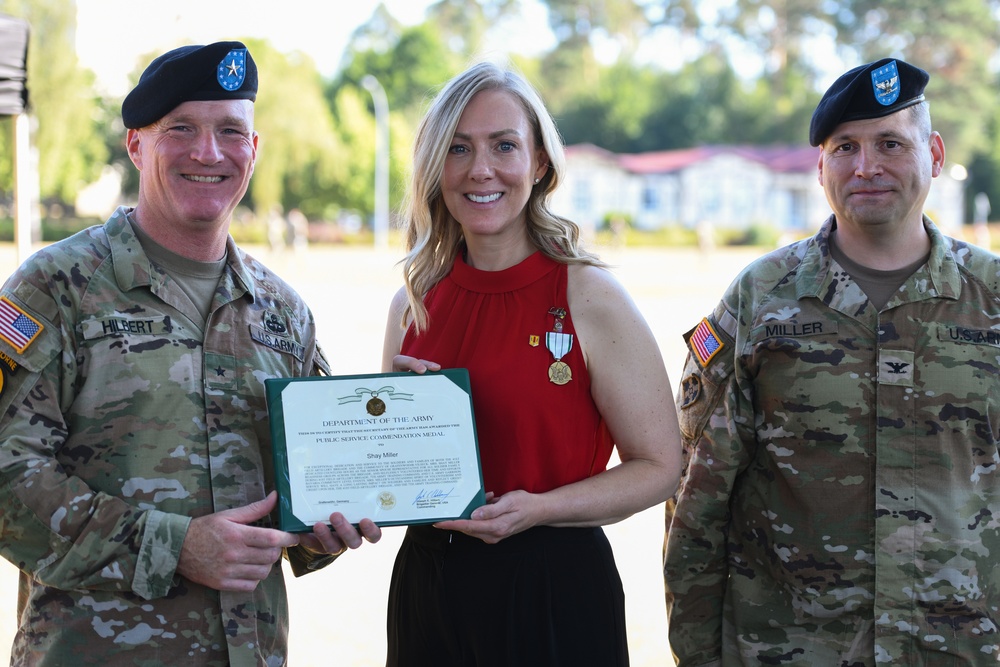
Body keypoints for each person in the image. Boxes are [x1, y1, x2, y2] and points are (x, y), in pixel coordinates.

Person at [0, 41, 380, 666]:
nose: (209, 152)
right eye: (181, 129)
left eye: (231, 131)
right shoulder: (55, 288)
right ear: (136, 145)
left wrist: (331, 520)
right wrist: (173, 546)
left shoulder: (283, 312)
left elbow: (312, 481)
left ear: (252, 151)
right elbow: (7, 476)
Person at [663, 57, 1000, 665]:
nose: (867, 166)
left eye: (891, 143)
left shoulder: (992, 301)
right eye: (845, 147)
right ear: (821, 167)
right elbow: (696, 496)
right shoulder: (760, 300)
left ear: (936, 154)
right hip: (793, 648)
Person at [380, 60, 682, 666]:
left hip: (552, 583)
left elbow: (660, 466)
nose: (480, 169)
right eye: (458, 148)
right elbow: (393, 470)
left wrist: (540, 509)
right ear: (435, 167)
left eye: (504, 145)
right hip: (430, 585)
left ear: (540, 162)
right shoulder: (413, 302)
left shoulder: (589, 295)